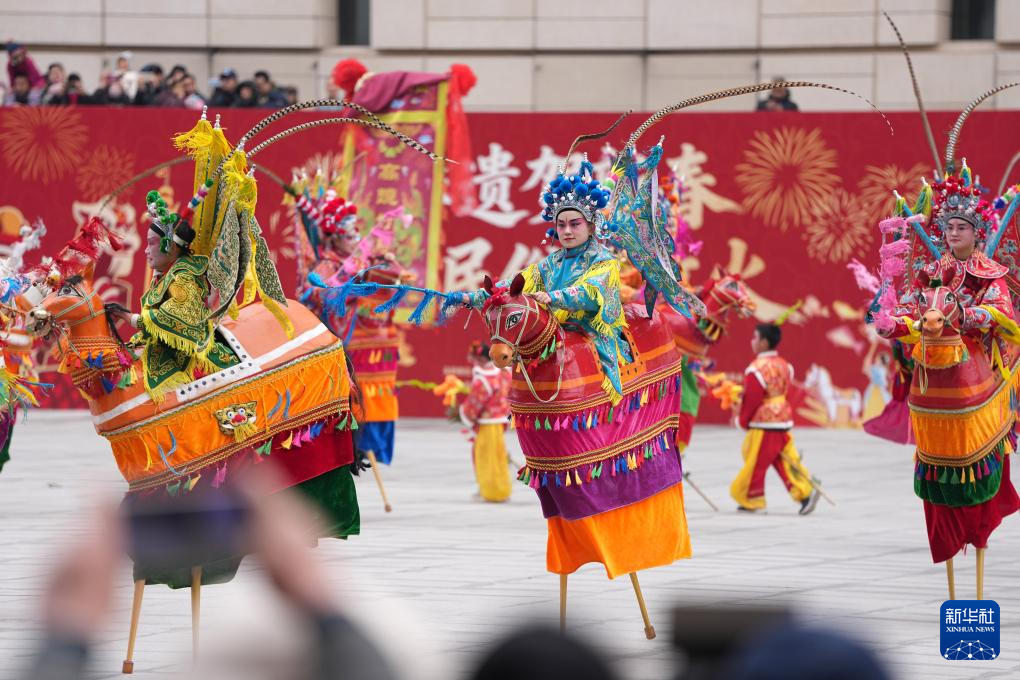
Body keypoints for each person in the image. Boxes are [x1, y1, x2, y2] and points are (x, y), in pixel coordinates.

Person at [875, 164, 1020, 576]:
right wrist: (892, 324)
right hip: (933, 365)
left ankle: (977, 524)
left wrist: (965, 314)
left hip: (975, 362)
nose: (953, 233)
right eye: (949, 227)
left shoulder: (990, 275)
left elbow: (1002, 314)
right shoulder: (932, 273)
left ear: (977, 232)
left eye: (961, 227)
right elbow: (911, 311)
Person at [455, 158, 632, 401]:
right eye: (561, 225)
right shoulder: (552, 262)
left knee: (604, 376)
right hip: (554, 329)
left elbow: (591, 292)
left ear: (591, 227)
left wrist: (553, 297)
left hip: (589, 329)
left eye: (575, 224)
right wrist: (472, 296)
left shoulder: (604, 261)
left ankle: (611, 406)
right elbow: (513, 285)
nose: (567, 231)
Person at [109, 191, 238, 401]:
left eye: (151, 243)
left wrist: (128, 317)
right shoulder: (166, 274)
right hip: (163, 344)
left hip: (186, 351)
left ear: (170, 247)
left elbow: (173, 316)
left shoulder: (183, 276)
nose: (145, 250)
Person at [730, 323, 819, 514]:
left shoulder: (756, 369)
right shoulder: (785, 365)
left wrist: (742, 421)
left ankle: (753, 499)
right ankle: (805, 493)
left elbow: (752, 400)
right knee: (782, 461)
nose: (752, 341)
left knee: (757, 463)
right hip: (782, 420)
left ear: (763, 342)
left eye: (755, 338)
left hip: (765, 424)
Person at [459, 341, 512, 502]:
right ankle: (499, 489)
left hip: (487, 423)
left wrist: (466, 415)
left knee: (486, 457)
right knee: (498, 456)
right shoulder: (503, 373)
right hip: (500, 421)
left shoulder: (484, 378)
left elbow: (475, 403)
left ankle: (491, 491)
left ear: (481, 359)